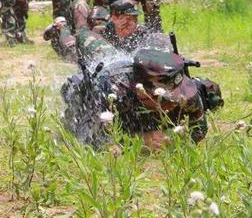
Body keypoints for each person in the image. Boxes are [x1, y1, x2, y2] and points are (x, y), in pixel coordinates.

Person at [61, 47, 224, 150]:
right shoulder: (111, 92)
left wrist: (174, 140)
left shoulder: (186, 92)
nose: (171, 105)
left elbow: (198, 130)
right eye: (164, 99)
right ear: (141, 91)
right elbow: (86, 139)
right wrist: (139, 142)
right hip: (116, 105)